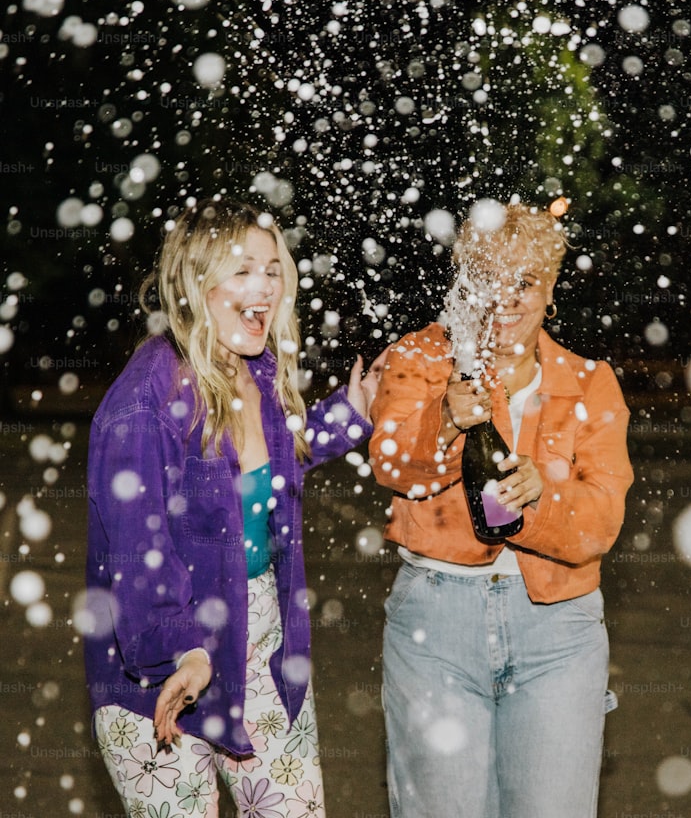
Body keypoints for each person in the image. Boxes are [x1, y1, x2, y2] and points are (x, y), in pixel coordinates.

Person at [84, 197, 381, 817]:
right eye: (242, 269)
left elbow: (270, 464)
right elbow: (140, 553)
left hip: (262, 637)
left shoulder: (255, 368)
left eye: (273, 270)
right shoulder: (143, 406)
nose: (264, 287)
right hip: (157, 668)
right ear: (194, 284)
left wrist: (349, 415)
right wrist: (183, 648)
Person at [369, 201, 634, 818]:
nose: (508, 298)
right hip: (434, 623)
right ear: (466, 281)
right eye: (491, 278)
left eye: (526, 282)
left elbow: (601, 522)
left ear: (551, 290)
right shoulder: (422, 359)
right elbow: (390, 464)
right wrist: (442, 421)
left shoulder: (591, 382)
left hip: (560, 635)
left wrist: (545, 497)